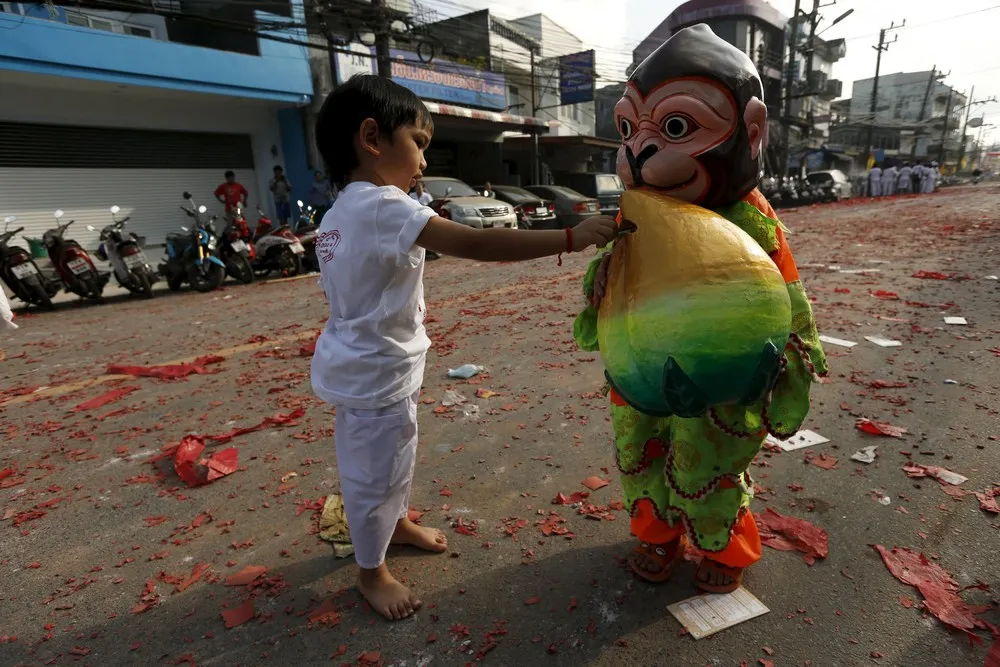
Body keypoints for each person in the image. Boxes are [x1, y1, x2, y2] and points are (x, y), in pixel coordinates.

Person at [310, 74, 616, 621]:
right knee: (372, 472)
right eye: (418, 142)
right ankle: (370, 572)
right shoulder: (383, 206)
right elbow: (474, 242)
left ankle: (395, 525)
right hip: (375, 373)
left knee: (394, 457)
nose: (424, 161)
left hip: (374, 366)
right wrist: (571, 236)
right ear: (372, 138)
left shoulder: (339, 213)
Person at [581, 24, 825, 595]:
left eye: (675, 127)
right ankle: (657, 534)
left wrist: (782, 360)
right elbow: (614, 276)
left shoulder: (749, 217)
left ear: (751, 131)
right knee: (639, 451)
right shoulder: (636, 210)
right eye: (628, 128)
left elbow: (786, 297)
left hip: (721, 375)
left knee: (711, 458)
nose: (638, 149)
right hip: (642, 369)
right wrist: (601, 283)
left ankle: (723, 543)